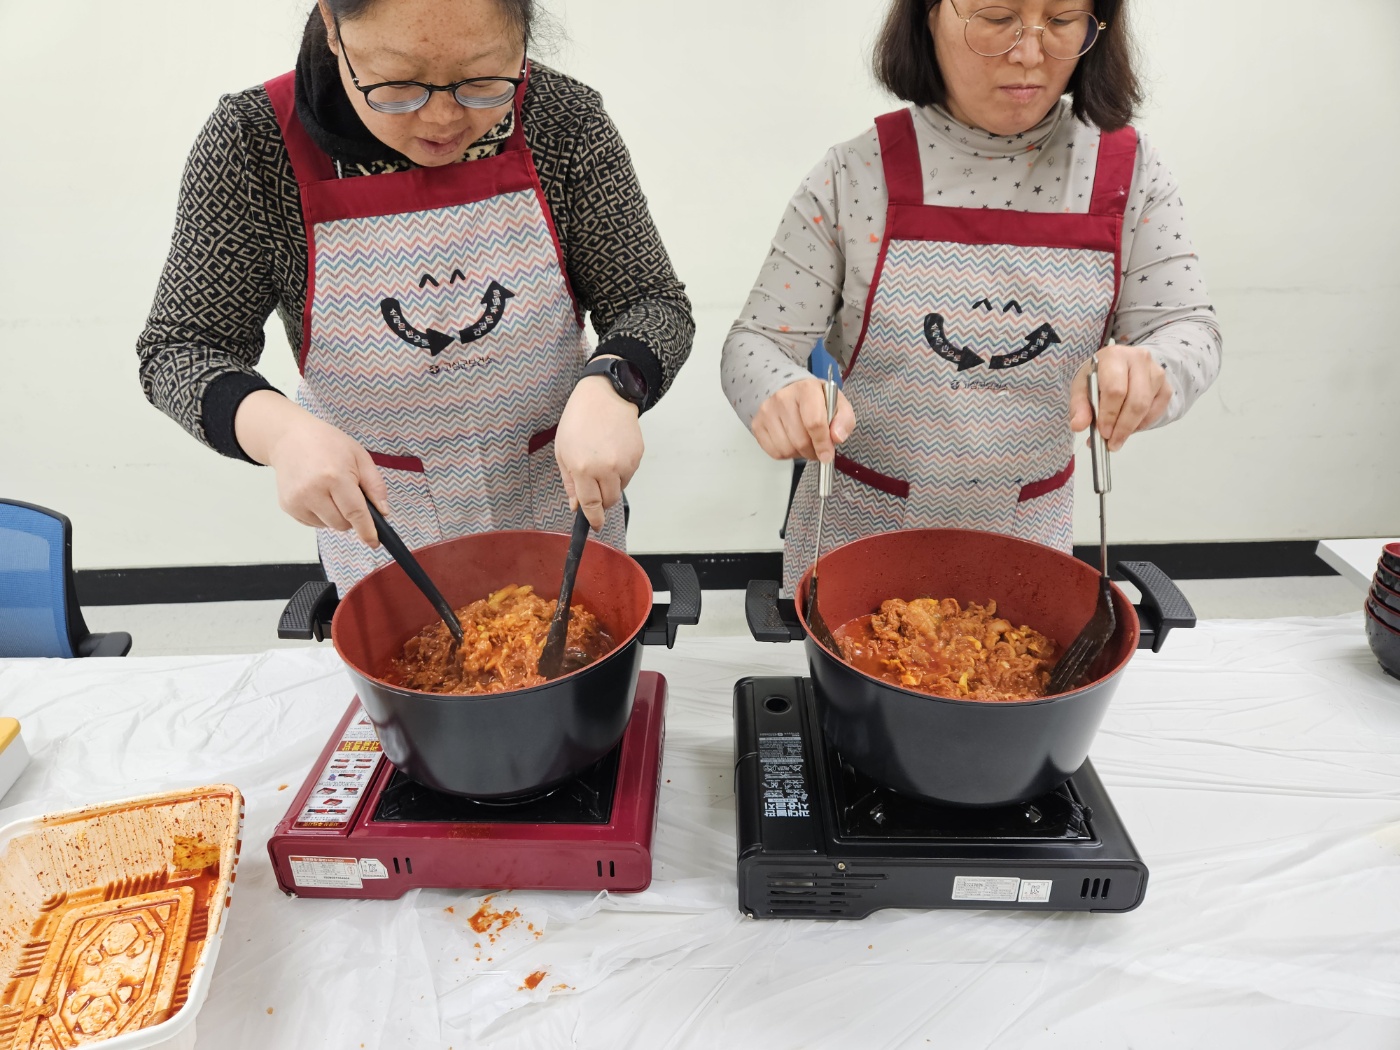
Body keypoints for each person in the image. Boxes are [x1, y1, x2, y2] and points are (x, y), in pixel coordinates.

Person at [138, 0, 692, 592]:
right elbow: (182, 347)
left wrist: (613, 383)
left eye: (481, 80)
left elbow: (650, 301)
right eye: (399, 86)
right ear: (333, 25)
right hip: (384, 543)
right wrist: (279, 433)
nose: (443, 119)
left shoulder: (561, 120)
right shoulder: (255, 143)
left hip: (561, 521)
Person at [721, 0, 1220, 592]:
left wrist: (1153, 368)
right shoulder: (855, 174)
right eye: (996, 18)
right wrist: (777, 390)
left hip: (1028, 549)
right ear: (929, 16)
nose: (1030, 53)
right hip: (854, 544)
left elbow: (1191, 331)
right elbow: (754, 343)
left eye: (1062, 22)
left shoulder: (1128, 175)